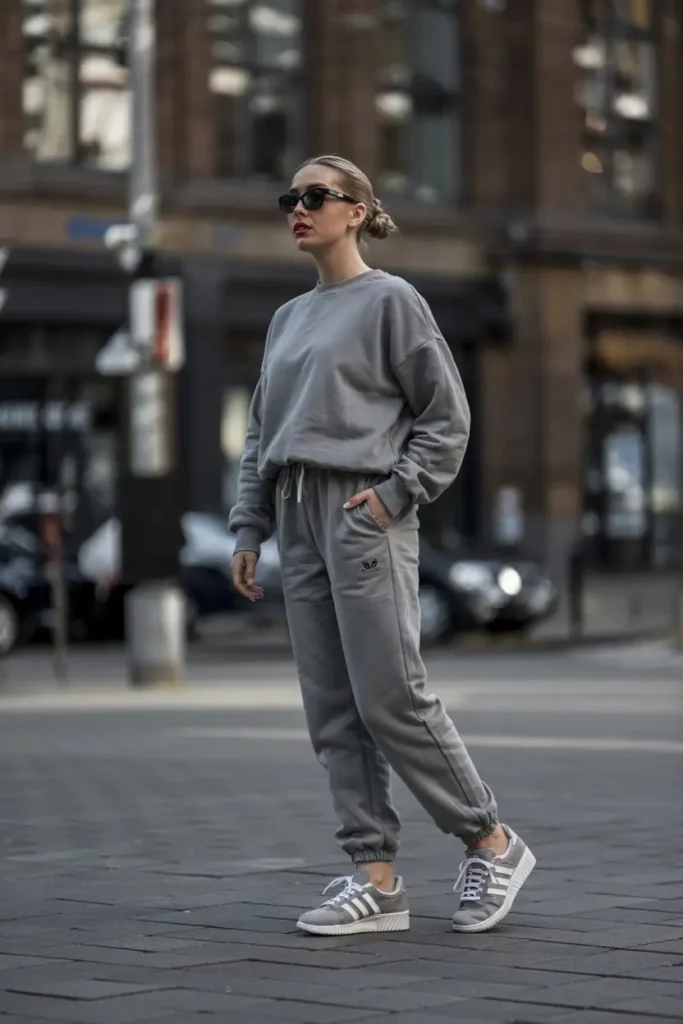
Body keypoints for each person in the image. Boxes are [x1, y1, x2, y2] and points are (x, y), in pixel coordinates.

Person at [230, 155, 535, 937]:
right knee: (332, 708)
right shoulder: (287, 319)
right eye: (289, 198)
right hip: (296, 514)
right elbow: (262, 432)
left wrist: (394, 495)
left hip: (363, 508)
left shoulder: (391, 300)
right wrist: (249, 524)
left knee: (389, 695)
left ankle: (489, 840)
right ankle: (375, 876)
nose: (297, 208)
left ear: (356, 211)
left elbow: (446, 417)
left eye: (314, 197)